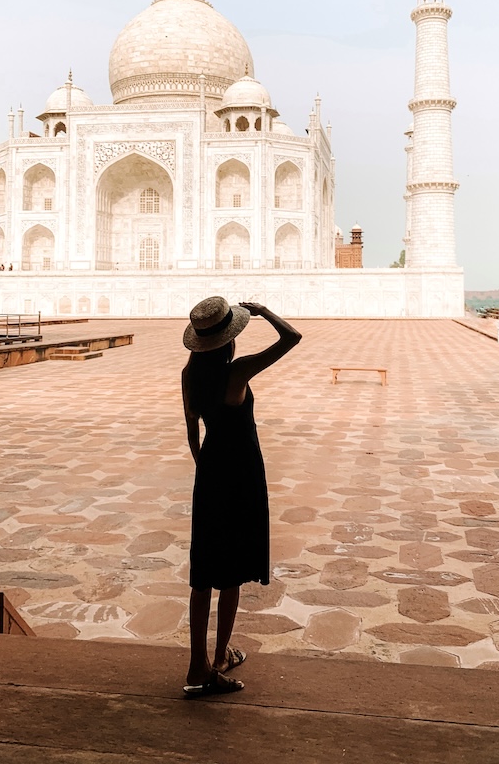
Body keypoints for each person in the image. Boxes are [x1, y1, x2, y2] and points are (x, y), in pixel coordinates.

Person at [181, 295, 302, 698]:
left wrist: (206, 468)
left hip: (211, 470)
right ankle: (218, 659)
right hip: (241, 471)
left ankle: (197, 665)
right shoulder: (237, 373)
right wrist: (266, 312)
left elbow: (192, 434)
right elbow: (292, 338)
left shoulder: (189, 376)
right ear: (228, 340)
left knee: (203, 572)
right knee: (230, 571)